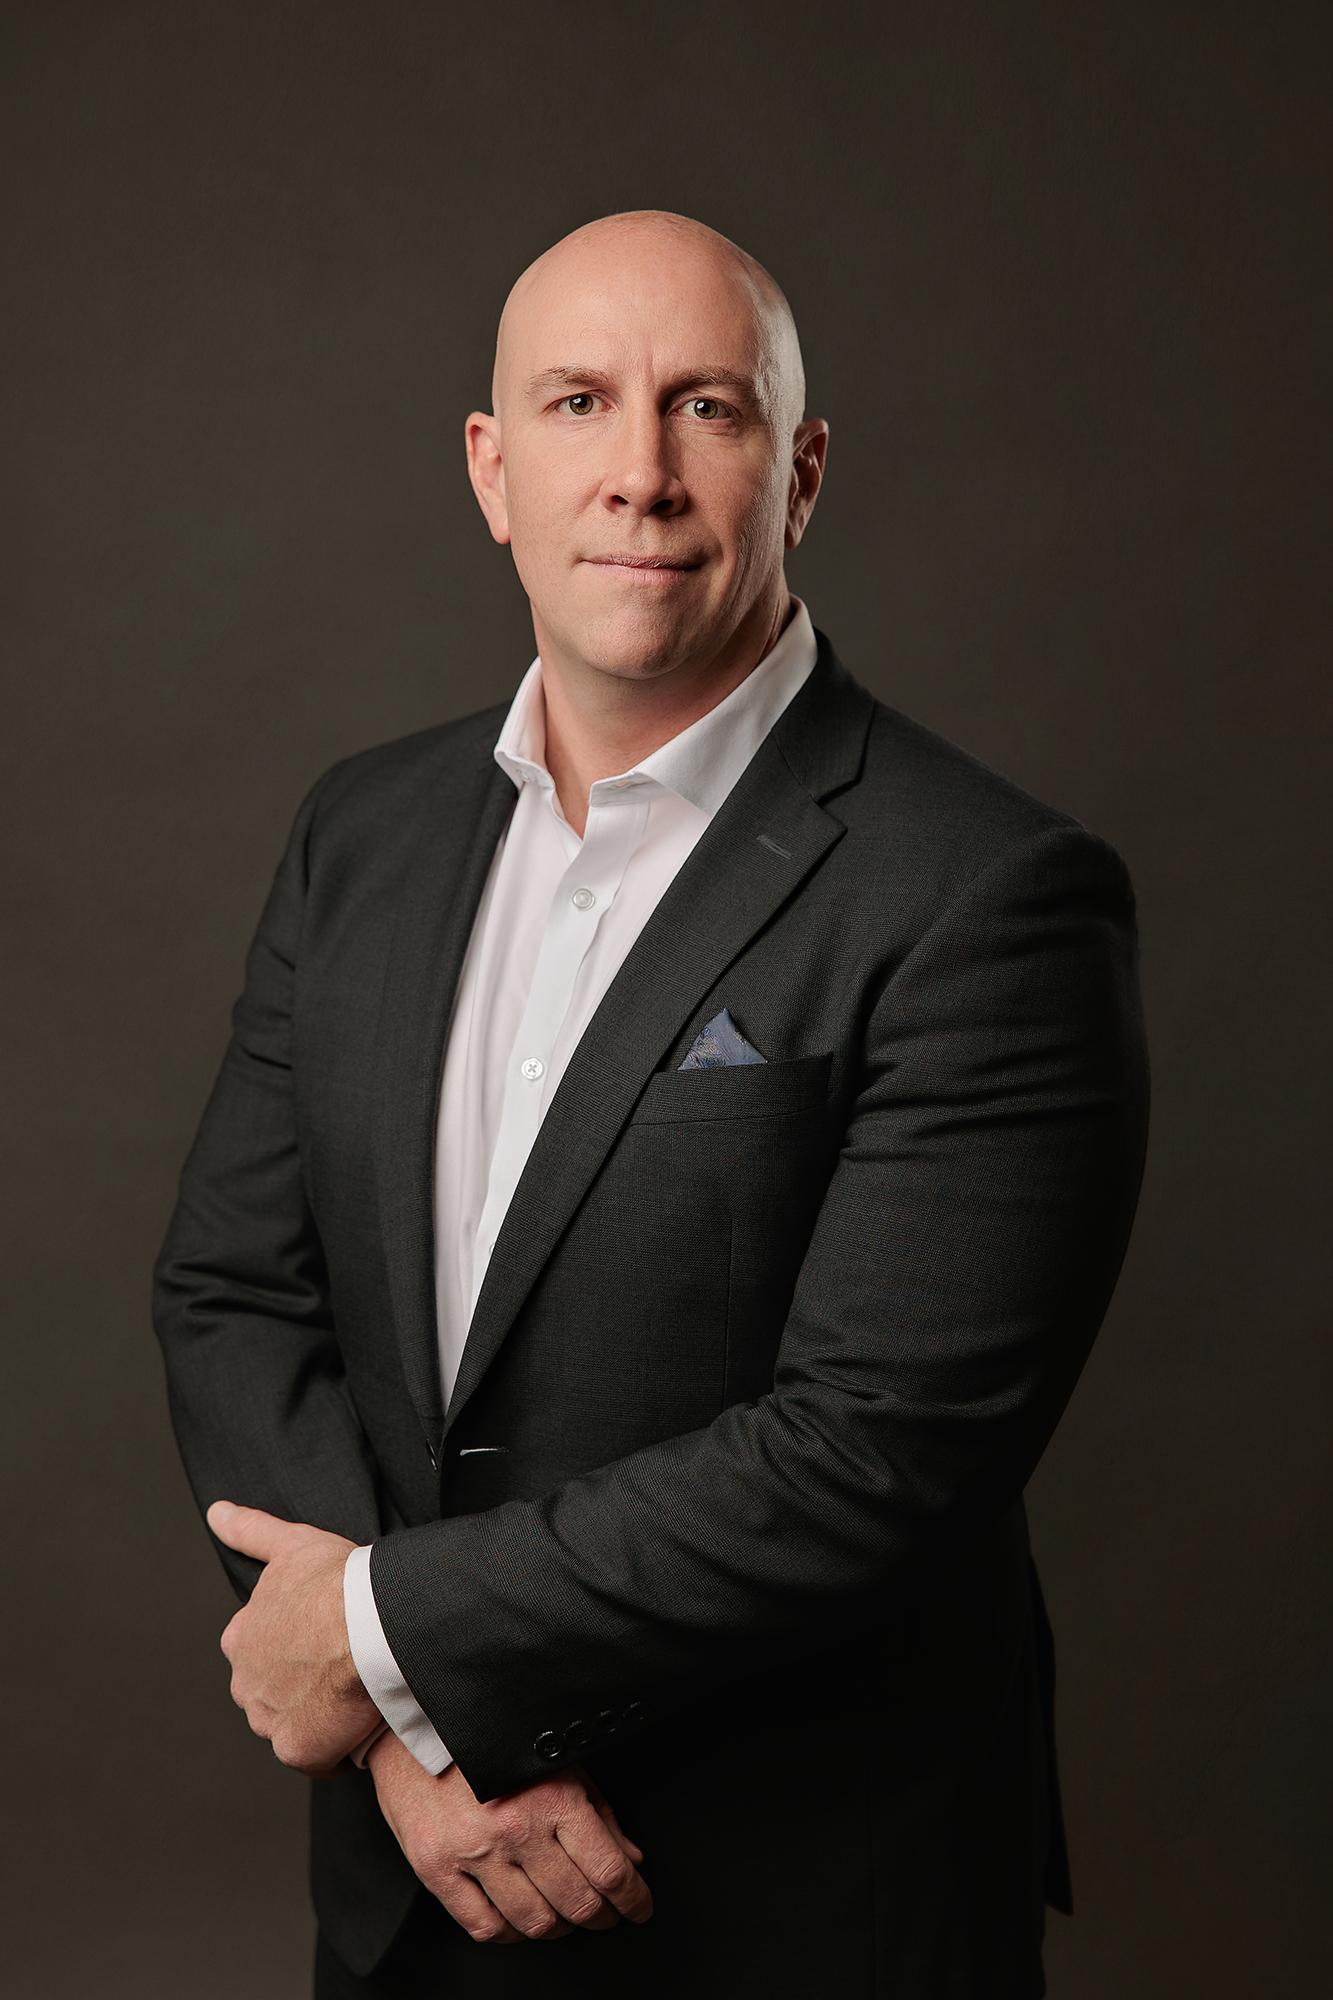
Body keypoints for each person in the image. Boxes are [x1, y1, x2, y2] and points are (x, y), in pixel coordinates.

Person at [152, 207, 1150, 1999]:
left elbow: (877, 1450)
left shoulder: (985, 892)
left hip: (794, 1901)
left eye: (706, 407)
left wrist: (380, 1648)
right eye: (576, 403)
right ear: (490, 468)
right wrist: (415, 1742)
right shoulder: (358, 836)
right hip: (415, 1883)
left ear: (801, 469)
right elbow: (235, 1294)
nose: (638, 474)